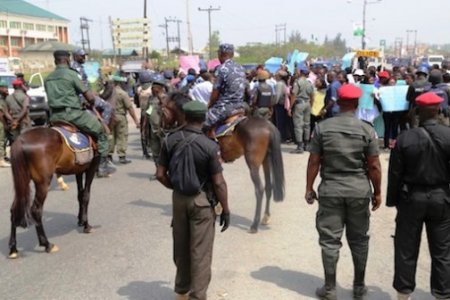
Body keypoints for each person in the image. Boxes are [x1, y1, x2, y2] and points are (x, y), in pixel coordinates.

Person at [305, 84, 382, 300]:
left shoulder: (322, 128)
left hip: (331, 190)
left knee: (330, 240)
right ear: (357, 104)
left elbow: (314, 161)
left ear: (338, 103)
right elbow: (374, 165)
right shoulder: (367, 130)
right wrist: (377, 193)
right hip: (359, 191)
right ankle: (359, 287)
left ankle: (329, 289)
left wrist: (309, 187)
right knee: (359, 240)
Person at [156, 98, 230, 300]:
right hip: (201, 202)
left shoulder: (169, 140)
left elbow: (160, 174)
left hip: (179, 200)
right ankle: (197, 296)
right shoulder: (209, 145)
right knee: (201, 252)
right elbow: (219, 182)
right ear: (204, 118)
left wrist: (176, 187)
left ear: (185, 117)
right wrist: (226, 209)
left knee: (181, 247)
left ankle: (181, 290)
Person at [387, 92, 450, 300]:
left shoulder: (405, 138)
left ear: (417, 112)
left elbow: (395, 173)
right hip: (442, 198)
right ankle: (442, 295)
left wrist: (393, 201)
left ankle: (403, 295)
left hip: (411, 198)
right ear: (438, 110)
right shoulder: (448, 135)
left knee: (406, 248)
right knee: (442, 251)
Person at [44, 50, 114, 177]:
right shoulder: (72, 75)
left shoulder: (48, 78)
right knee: (101, 132)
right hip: (73, 115)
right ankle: (103, 165)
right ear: (67, 60)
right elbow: (90, 98)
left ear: (55, 61)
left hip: (54, 117)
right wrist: (90, 101)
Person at [203, 43, 246, 132]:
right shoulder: (241, 68)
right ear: (232, 54)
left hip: (224, 108)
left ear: (220, 54)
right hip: (240, 107)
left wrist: (209, 106)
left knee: (200, 124)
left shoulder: (221, 69)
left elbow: (215, 94)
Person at [108, 75, 139, 164]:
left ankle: (109, 155)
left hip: (110, 117)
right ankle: (122, 156)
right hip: (120, 117)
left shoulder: (108, 92)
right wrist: (136, 121)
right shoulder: (123, 93)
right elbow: (130, 108)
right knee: (122, 136)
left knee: (111, 136)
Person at [289, 66, 314, 153]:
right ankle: (306, 144)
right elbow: (312, 96)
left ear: (301, 73)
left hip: (299, 104)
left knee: (298, 125)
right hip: (307, 103)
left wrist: (290, 107)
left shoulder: (298, 82)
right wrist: (311, 105)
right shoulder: (309, 83)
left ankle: (300, 146)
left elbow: (294, 95)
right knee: (307, 124)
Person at [0, 80, 12, 167]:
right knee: (1, 141)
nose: (6, 89)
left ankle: (3, 156)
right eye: (4, 88)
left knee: (4, 141)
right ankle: (1, 161)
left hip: (4, 121)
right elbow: (1, 114)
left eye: (7, 87)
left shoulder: (5, 98)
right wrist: (5, 125)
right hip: (1, 122)